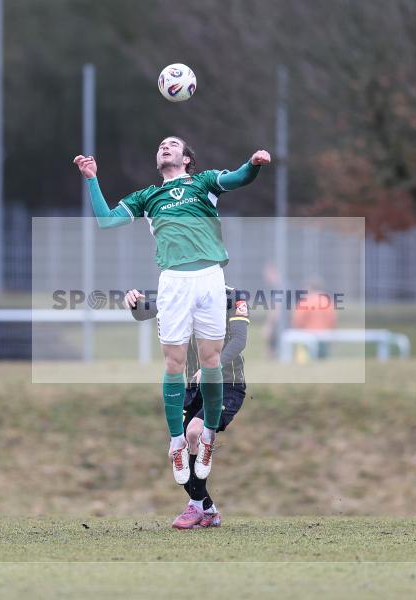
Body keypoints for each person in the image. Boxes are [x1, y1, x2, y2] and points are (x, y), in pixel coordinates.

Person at [73, 137, 269, 486]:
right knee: (174, 364)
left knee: (210, 362)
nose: (165, 147)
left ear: (187, 158)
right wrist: (91, 178)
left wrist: (253, 164)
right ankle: (178, 441)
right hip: (173, 281)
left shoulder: (204, 182)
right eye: (161, 145)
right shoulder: (148, 196)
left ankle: (207, 436)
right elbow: (106, 221)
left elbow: (239, 178)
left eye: (173, 144)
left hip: (210, 276)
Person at [126, 287, 249, 529]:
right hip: (192, 388)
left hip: (226, 385)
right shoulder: (179, 289)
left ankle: (195, 506)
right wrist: (133, 303)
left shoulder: (233, 296)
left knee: (194, 432)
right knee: (178, 450)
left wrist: (212, 367)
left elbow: (240, 339)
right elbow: (143, 313)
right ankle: (208, 509)